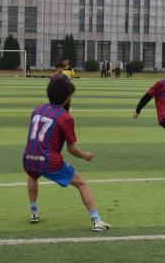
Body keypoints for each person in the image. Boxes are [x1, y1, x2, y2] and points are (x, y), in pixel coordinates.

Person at [22, 75, 109, 232]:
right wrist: (85, 156)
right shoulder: (65, 118)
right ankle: (96, 221)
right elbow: (71, 149)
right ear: (67, 97)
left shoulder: (37, 110)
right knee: (81, 183)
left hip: (28, 158)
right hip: (49, 161)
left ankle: (33, 212)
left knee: (32, 176)